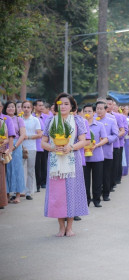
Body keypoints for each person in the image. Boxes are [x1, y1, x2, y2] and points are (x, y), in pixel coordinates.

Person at [42, 93, 89, 236]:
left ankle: (69, 227)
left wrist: (71, 147)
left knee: (71, 192)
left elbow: (84, 141)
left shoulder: (77, 121)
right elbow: (43, 142)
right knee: (58, 195)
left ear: (72, 106)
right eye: (60, 103)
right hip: (55, 162)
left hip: (72, 161)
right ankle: (61, 227)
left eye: (66, 104)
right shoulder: (51, 121)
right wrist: (52, 148)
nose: (63, 106)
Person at [83, 104, 108, 208]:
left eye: (89, 111)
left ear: (94, 113)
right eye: (85, 111)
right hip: (84, 157)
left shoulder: (99, 125)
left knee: (97, 179)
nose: (87, 113)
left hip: (97, 156)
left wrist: (96, 145)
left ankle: (96, 200)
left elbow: (105, 138)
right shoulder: (80, 126)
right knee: (85, 180)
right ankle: (86, 200)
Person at [3, 101, 26, 204]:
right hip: (4, 145)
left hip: (16, 146)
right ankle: (6, 195)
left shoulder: (19, 119)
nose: (11, 108)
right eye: (9, 107)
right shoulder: (3, 119)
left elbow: (23, 135)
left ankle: (17, 195)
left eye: (13, 107)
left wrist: (15, 146)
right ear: (5, 108)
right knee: (6, 170)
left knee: (17, 170)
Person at [95, 101, 119, 201]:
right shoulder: (91, 120)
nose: (99, 111)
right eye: (97, 108)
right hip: (94, 152)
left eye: (101, 108)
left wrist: (106, 139)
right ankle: (96, 194)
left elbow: (115, 135)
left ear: (106, 109)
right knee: (97, 175)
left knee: (106, 174)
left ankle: (106, 193)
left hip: (106, 151)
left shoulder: (111, 120)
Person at [22, 101, 42, 200]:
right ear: (22, 108)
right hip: (19, 147)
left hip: (31, 147)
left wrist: (28, 137)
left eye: (28, 107)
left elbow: (39, 134)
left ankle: (29, 192)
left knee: (30, 170)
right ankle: (18, 191)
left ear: (31, 109)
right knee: (20, 170)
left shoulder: (35, 120)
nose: (26, 109)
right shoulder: (19, 119)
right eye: (24, 107)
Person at [0, 116, 9, 209]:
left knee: (1, 178)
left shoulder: (2, 122)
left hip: (0, 151)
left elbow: (6, 138)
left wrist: (2, 142)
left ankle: (1, 202)